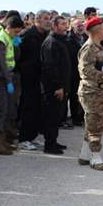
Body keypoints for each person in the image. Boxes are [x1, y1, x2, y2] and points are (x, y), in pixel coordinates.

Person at [77, 16, 103, 170]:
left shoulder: (99, 47)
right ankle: (95, 157)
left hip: (99, 90)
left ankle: (85, 155)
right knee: (96, 125)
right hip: (91, 91)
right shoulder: (89, 48)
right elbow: (85, 70)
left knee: (92, 123)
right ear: (97, 30)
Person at [0, 14, 24, 155]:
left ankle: (3, 141)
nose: (17, 34)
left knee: (7, 110)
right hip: (1, 79)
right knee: (1, 110)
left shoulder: (9, 38)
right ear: (8, 27)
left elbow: (12, 60)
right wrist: (9, 81)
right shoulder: (1, 39)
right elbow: (2, 64)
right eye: (15, 31)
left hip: (7, 78)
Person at [16, 10, 50, 149]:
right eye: (45, 18)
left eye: (49, 18)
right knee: (28, 108)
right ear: (37, 20)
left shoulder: (45, 35)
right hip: (28, 77)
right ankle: (23, 138)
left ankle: (32, 136)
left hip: (40, 78)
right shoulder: (28, 35)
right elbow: (19, 57)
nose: (48, 21)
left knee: (37, 108)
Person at [39, 16, 71, 154]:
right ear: (55, 26)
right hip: (53, 88)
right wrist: (58, 86)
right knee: (51, 115)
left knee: (57, 115)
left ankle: (54, 141)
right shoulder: (51, 43)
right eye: (62, 24)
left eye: (66, 24)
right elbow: (50, 67)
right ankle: (49, 144)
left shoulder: (60, 41)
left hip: (62, 86)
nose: (66, 27)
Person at [65, 17, 85, 127]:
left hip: (82, 72)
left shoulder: (85, 38)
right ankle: (73, 117)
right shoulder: (69, 40)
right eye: (78, 25)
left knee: (80, 96)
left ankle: (79, 117)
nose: (80, 27)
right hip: (73, 71)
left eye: (82, 25)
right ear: (72, 27)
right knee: (73, 96)